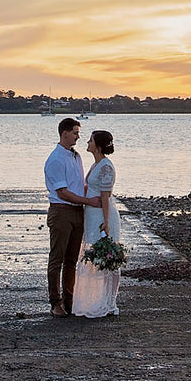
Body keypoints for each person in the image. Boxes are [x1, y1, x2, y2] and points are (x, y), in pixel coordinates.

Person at [43, 117, 96, 317]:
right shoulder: (55, 159)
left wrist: (95, 193)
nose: (78, 137)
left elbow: (77, 185)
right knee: (57, 258)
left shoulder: (76, 156)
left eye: (78, 133)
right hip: (61, 210)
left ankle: (70, 299)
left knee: (72, 259)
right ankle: (55, 302)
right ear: (64, 133)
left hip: (77, 211)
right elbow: (63, 192)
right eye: (75, 133)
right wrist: (88, 202)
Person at [70, 129, 121, 318]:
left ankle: (110, 302)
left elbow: (105, 197)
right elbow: (91, 187)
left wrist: (106, 223)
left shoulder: (106, 166)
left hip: (102, 215)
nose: (87, 143)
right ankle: (98, 299)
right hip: (91, 214)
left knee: (108, 258)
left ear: (98, 146)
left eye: (90, 140)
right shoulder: (96, 164)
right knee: (94, 255)